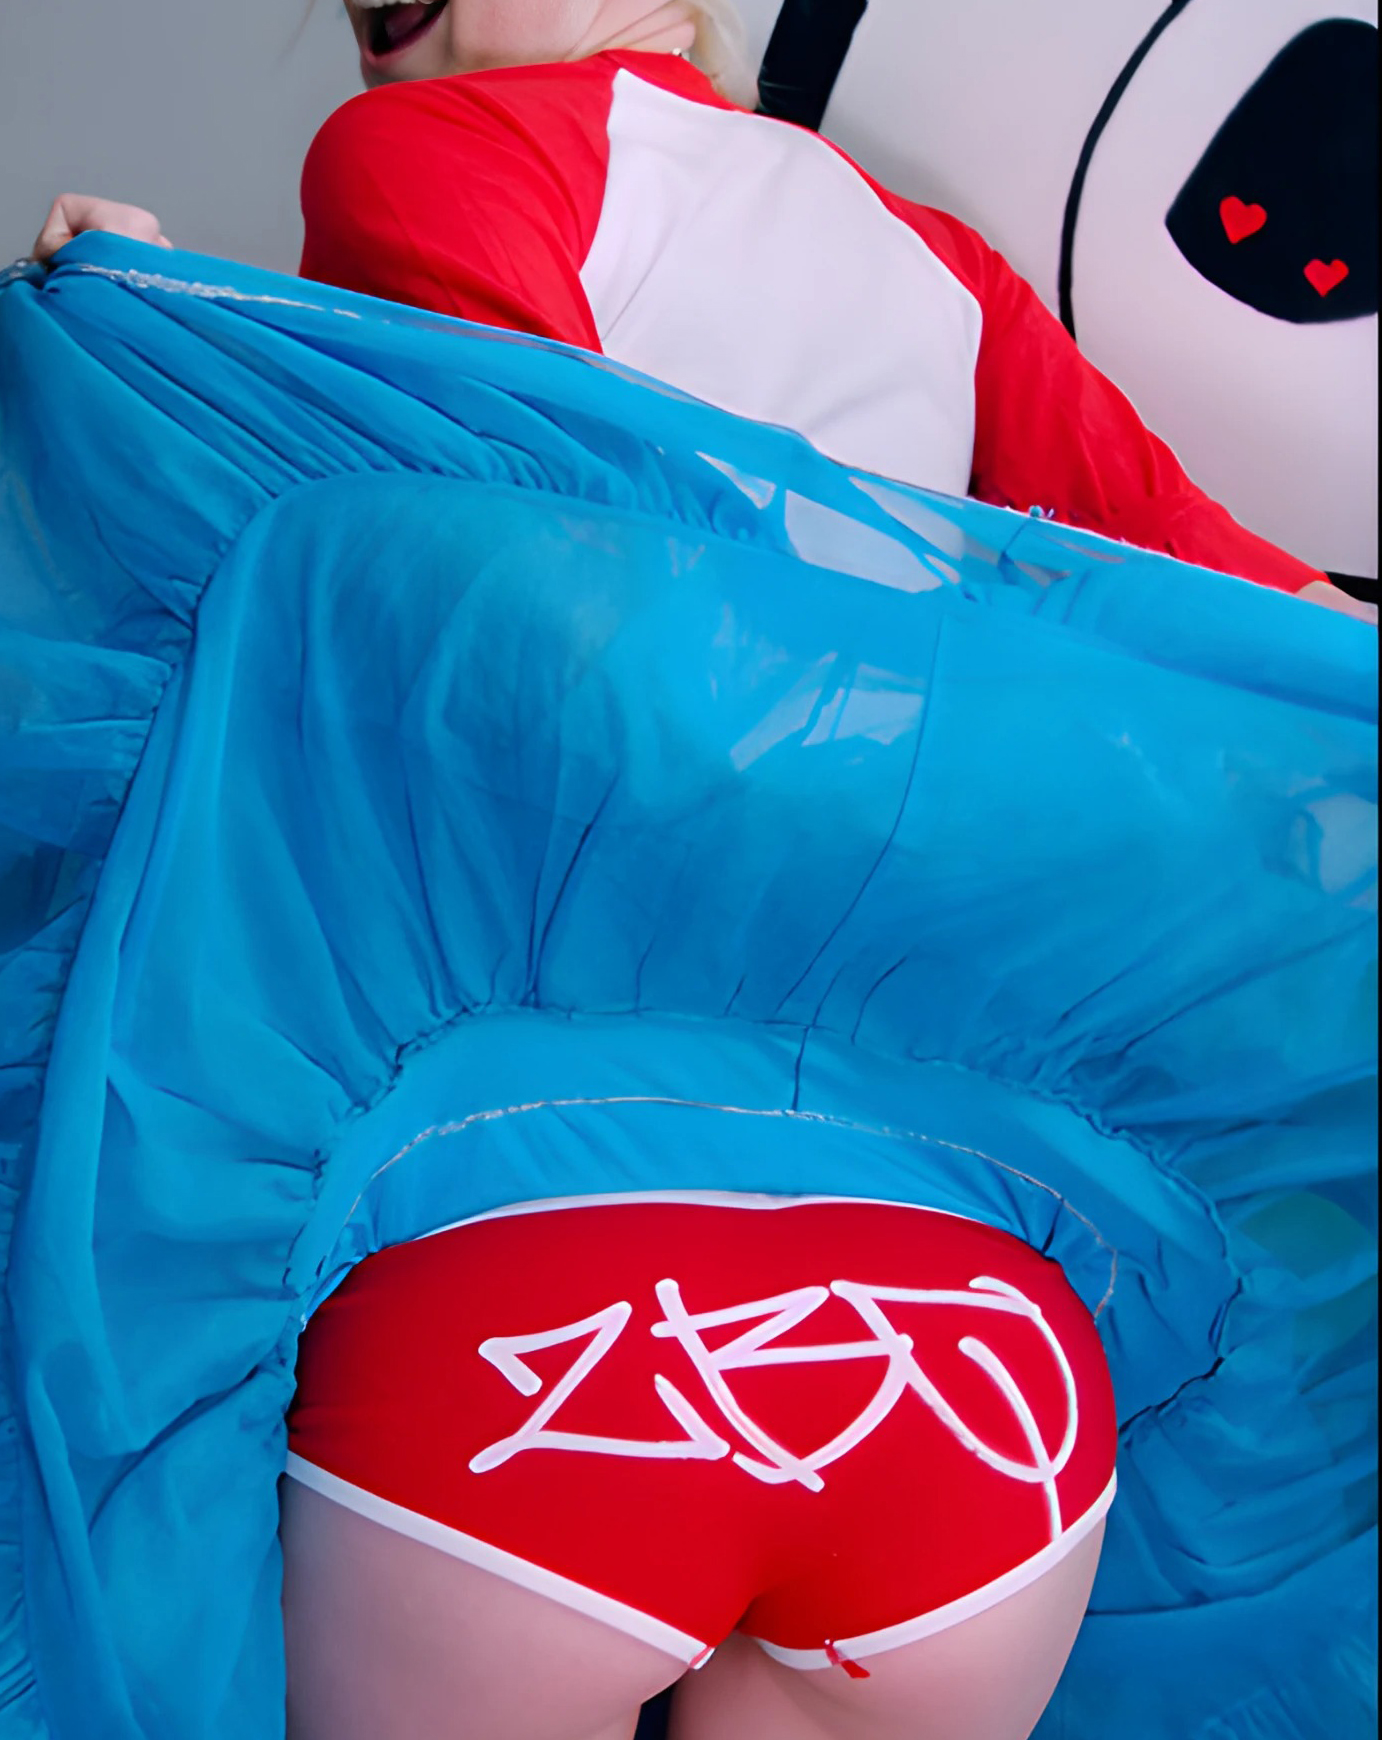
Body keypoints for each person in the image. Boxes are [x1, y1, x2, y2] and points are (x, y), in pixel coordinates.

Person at [17, 7, 1350, 1738]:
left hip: (539, 1323)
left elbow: (527, 585)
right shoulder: (931, 268)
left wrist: (172, 356)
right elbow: (1278, 617)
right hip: (994, 1384)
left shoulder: (438, 144)